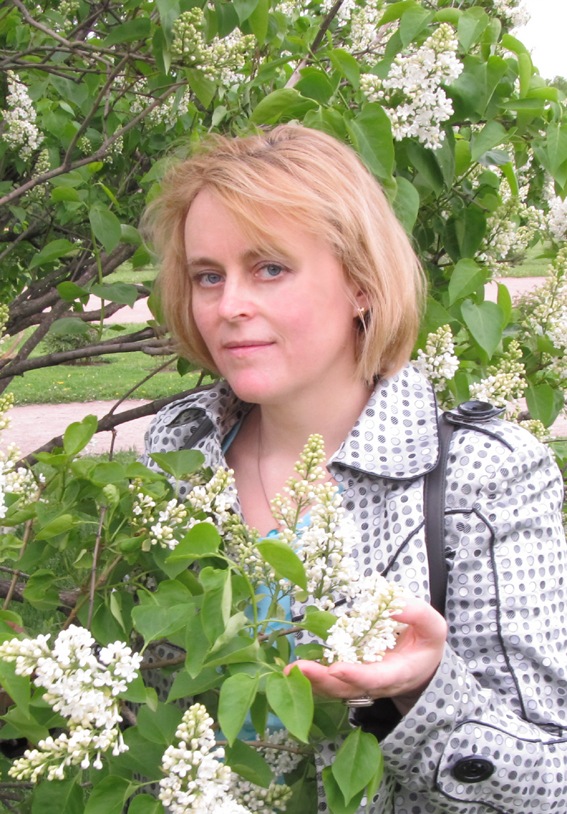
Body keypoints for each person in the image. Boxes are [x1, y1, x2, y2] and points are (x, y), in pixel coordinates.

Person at [141, 124, 567, 813]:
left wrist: (423, 690)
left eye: (269, 268)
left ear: (360, 284)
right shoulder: (181, 447)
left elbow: (551, 783)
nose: (229, 306)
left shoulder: (482, 477)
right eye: (207, 276)